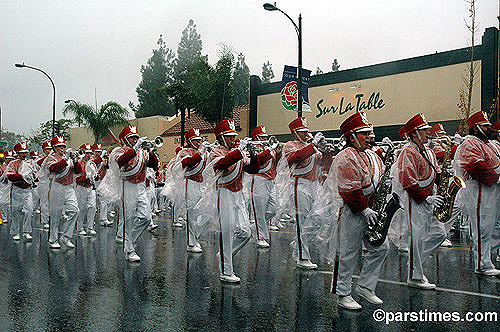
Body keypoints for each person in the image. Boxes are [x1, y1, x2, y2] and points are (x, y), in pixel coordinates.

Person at [330, 112, 388, 310]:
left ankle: (365, 286)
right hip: (351, 211)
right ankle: (342, 293)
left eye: (368, 132)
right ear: (351, 136)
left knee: (381, 247)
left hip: (370, 208)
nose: (369, 136)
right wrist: (363, 209)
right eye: (364, 133)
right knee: (347, 252)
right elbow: (348, 188)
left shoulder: (370, 154)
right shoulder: (345, 157)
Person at [208, 119, 265, 283]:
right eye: (230, 136)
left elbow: (254, 169)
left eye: (234, 136)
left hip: (238, 194)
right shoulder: (215, 152)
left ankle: (225, 256)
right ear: (221, 137)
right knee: (227, 232)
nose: (233, 139)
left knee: (246, 233)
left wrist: (253, 154)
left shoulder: (237, 151)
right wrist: (239, 150)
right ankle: (226, 271)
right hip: (224, 192)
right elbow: (222, 164)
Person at [397, 113, 447, 289]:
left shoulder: (428, 151)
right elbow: (407, 180)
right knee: (416, 238)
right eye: (424, 130)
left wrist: (443, 180)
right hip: (416, 200)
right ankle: (414, 276)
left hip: (429, 198)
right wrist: (426, 198)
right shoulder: (407, 151)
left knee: (440, 233)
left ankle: (415, 264)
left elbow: (434, 173)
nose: (428, 133)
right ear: (415, 133)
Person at [454, 111, 500, 276]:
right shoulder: (471, 143)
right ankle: (482, 264)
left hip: (490, 188)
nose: (489, 128)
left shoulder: (486, 143)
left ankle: (487, 259)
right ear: (475, 129)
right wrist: (497, 178)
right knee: (482, 227)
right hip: (480, 189)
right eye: (485, 126)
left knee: (490, 227)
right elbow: (475, 166)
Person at [283, 117, 332, 269]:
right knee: (302, 221)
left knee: (317, 218)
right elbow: (295, 158)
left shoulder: (311, 146)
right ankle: (302, 257)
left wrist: (327, 151)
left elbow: (323, 165)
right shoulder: (289, 145)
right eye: (303, 132)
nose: (306, 134)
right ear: (295, 132)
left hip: (314, 185)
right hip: (299, 185)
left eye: (307, 131)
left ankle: (298, 243)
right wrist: (314, 145)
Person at [115, 125, 159, 262]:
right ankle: (129, 250)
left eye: (136, 137)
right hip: (127, 185)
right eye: (132, 138)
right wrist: (135, 148)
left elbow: (154, 165)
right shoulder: (119, 150)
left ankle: (130, 241)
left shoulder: (142, 151)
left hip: (141, 186)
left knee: (146, 217)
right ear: (126, 139)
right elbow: (120, 161)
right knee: (128, 218)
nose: (135, 140)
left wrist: (151, 151)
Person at [44, 136, 81, 249]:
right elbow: (54, 168)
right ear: (54, 147)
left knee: (75, 210)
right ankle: (52, 239)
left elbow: (78, 171)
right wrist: (65, 159)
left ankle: (66, 236)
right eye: (59, 146)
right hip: (57, 187)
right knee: (56, 215)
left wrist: (74, 160)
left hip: (69, 187)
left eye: (63, 146)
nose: (62, 148)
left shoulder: (68, 158)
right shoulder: (50, 158)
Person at [248, 125, 281, 248]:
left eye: (266, 136)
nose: (265, 138)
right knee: (259, 210)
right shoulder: (252, 147)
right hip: (259, 179)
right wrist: (270, 150)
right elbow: (258, 160)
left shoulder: (269, 148)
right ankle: (260, 236)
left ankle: (257, 225)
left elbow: (276, 162)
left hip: (271, 180)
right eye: (262, 137)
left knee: (273, 209)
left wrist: (278, 152)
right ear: (256, 137)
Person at [6, 142, 35, 242]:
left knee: (29, 210)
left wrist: (33, 176)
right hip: (17, 190)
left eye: (25, 153)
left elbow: (36, 175)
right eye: (22, 153)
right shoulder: (13, 164)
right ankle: (15, 232)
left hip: (28, 190)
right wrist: (22, 176)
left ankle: (27, 232)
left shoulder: (30, 163)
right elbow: (10, 177)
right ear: (18, 153)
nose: (24, 155)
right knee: (16, 212)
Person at [75, 143, 98, 236]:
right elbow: (76, 178)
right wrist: (85, 176)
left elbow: (96, 177)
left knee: (92, 206)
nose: (89, 155)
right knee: (81, 208)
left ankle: (90, 227)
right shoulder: (79, 163)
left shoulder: (92, 163)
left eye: (90, 153)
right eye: (87, 152)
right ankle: (80, 227)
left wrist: (95, 175)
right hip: (81, 187)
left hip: (90, 187)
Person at [92, 143, 113, 227]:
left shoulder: (103, 159)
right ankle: (90, 220)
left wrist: (109, 159)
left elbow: (108, 167)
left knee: (104, 200)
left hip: (102, 182)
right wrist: (101, 158)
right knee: (92, 204)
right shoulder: (91, 158)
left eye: (100, 151)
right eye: (97, 151)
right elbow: (94, 165)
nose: (99, 153)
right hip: (93, 182)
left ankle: (103, 219)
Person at [36, 141, 52, 229]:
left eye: (50, 149)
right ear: (44, 150)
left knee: (53, 201)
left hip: (53, 181)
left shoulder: (54, 157)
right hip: (44, 182)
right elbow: (38, 164)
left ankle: (52, 218)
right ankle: (45, 220)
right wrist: (48, 157)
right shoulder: (40, 158)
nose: (49, 151)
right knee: (44, 201)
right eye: (47, 149)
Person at [0, 151, 15, 224]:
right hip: (4, 187)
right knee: (3, 202)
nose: (9, 160)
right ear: (5, 159)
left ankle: (12, 217)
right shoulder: (2, 168)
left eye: (11, 158)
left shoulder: (15, 167)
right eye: (8, 158)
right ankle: (4, 217)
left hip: (13, 187)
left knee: (12, 203)